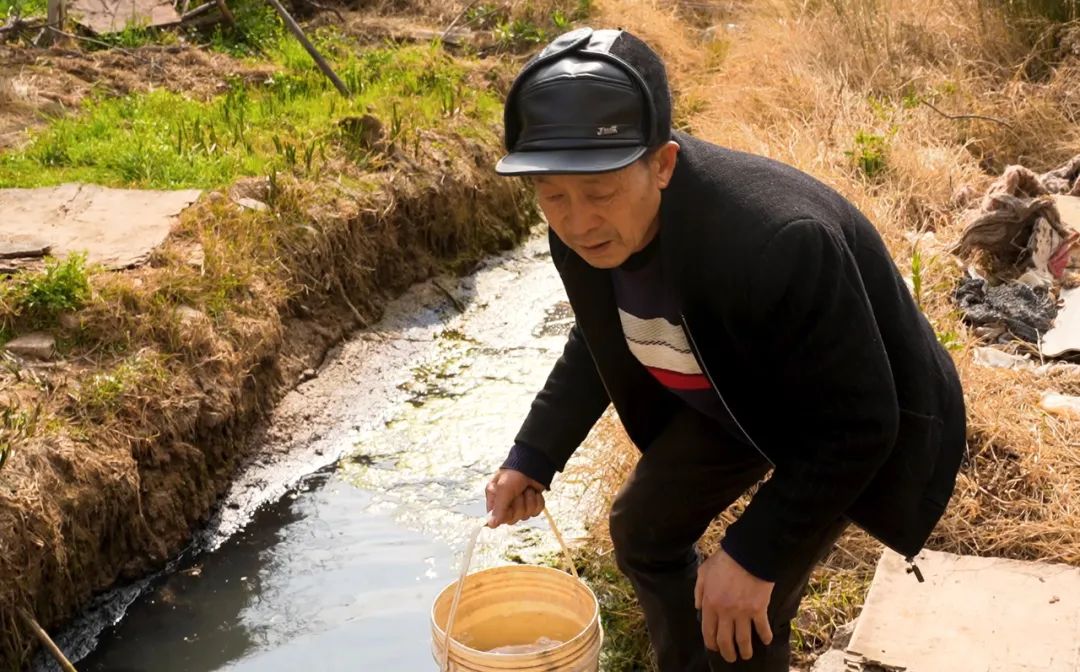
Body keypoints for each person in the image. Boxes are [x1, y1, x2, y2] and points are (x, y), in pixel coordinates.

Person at [483, 27, 966, 672]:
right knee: (643, 530)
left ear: (663, 164)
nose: (576, 222)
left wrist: (756, 555)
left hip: (841, 414)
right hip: (731, 384)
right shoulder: (586, 235)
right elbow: (600, 336)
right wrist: (534, 454)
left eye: (598, 193)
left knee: (741, 603)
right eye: (551, 196)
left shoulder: (780, 243)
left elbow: (857, 423)